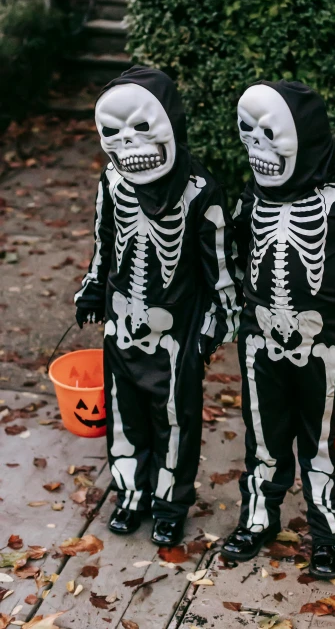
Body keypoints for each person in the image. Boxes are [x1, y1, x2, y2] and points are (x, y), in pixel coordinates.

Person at [222, 80, 335, 579]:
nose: (257, 149)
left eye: (270, 136)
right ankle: (258, 518)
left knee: (323, 443)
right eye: (248, 135)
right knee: (263, 438)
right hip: (260, 345)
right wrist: (226, 317)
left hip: (328, 351)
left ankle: (326, 533)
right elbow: (232, 263)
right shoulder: (250, 200)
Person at [75, 66, 240, 547]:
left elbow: (222, 273)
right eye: (113, 132)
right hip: (122, 323)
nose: (127, 142)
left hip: (175, 335)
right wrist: (92, 289)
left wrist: (216, 325)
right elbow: (104, 243)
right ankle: (132, 493)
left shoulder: (201, 191)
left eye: (142, 126)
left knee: (174, 420)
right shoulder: (112, 180)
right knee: (124, 417)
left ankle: (170, 503)